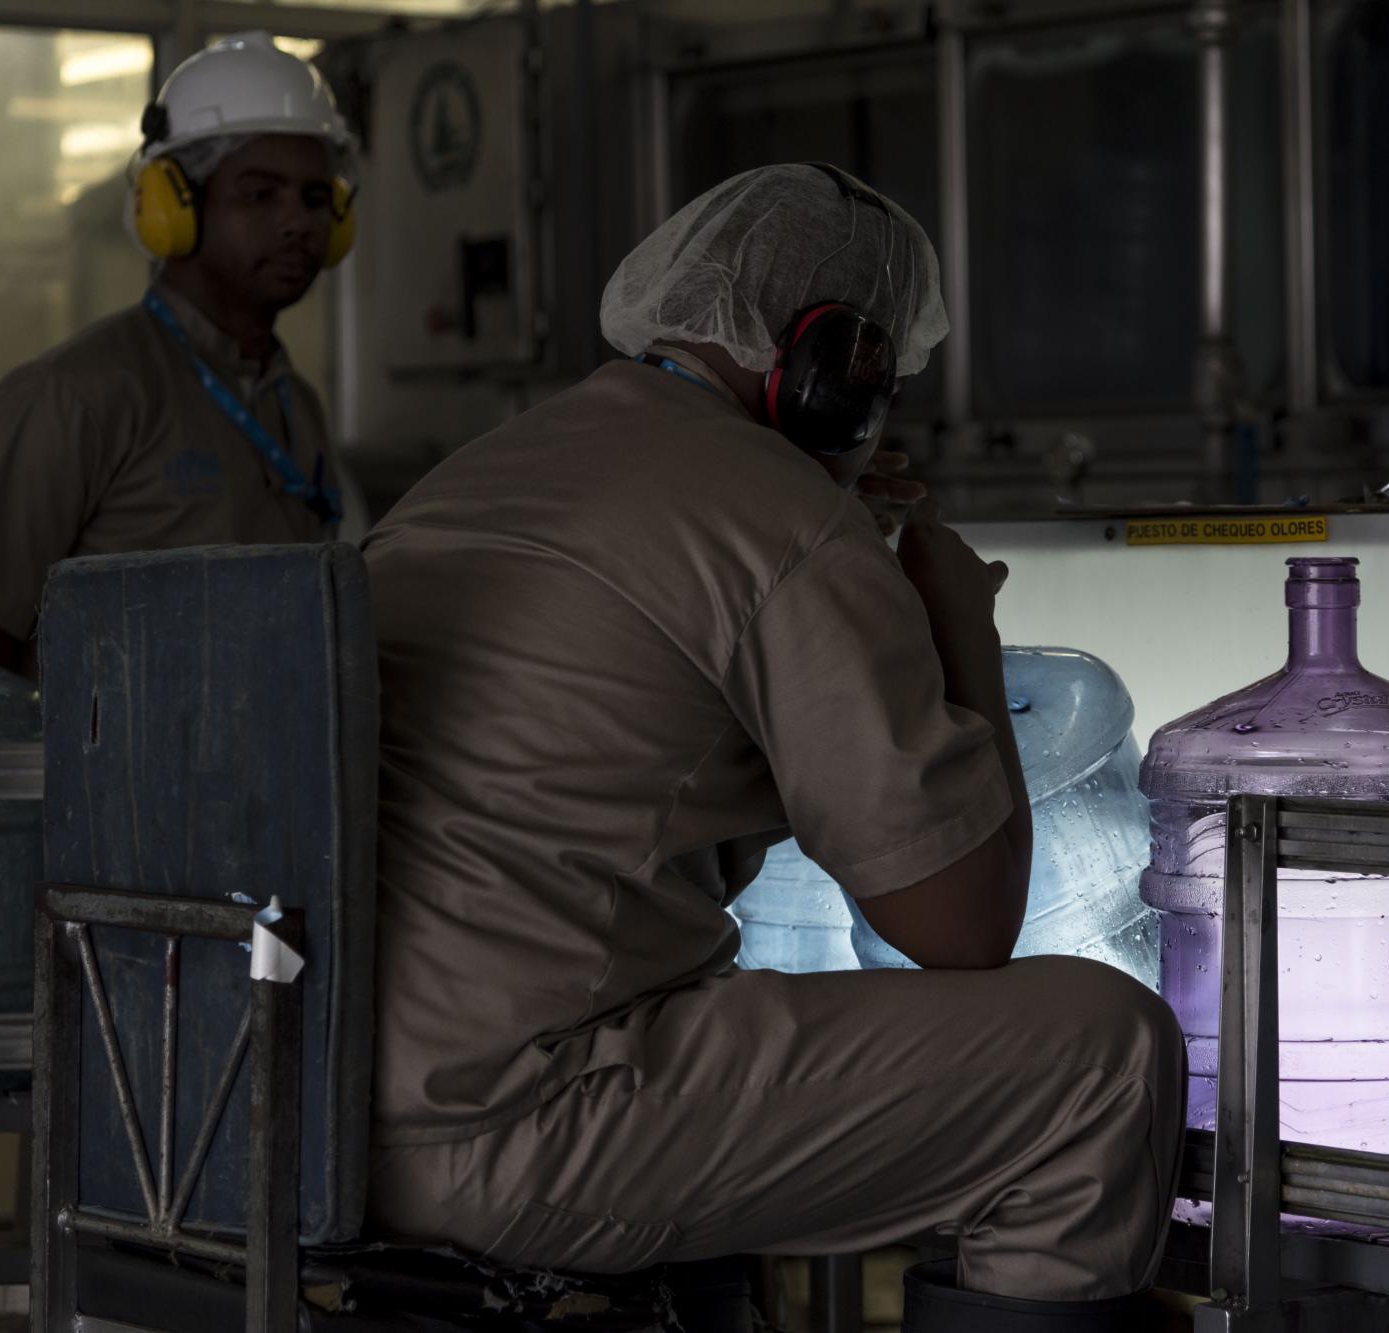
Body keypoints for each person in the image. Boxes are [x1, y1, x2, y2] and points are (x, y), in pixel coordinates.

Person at [363, 164, 1187, 1333]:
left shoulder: (479, 474)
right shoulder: (779, 517)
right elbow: (957, 927)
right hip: (520, 1122)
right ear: (826, 368)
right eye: (879, 379)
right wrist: (953, 613)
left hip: (338, 1105)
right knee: (1102, 1058)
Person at [0, 32, 356, 674]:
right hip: (108, 775)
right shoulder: (75, 396)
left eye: (313, 197)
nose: (297, 222)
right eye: (259, 193)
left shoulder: (295, 404)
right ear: (172, 207)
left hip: (277, 767)